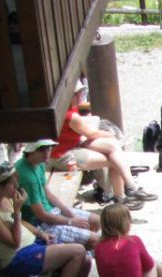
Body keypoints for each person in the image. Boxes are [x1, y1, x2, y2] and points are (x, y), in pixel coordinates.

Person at [0, 162, 91, 277]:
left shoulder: (7, 201)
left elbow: (22, 223)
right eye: (12, 184)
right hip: (17, 258)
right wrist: (18, 211)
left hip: (32, 245)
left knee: (87, 259)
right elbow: (14, 242)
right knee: (78, 251)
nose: (16, 186)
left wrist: (40, 233)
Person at [49, 79, 156, 208]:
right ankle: (123, 195)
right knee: (114, 160)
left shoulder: (68, 107)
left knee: (113, 148)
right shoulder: (72, 116)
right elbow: (91, 134)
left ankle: (129, 189)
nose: (81, 95)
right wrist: (109, 134)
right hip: (63, 155)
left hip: (73, 144)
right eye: (78, 93)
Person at [14, 138, 100, 247]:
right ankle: (81, 250)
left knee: (96, 220)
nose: (47, 153)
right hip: (40, 223)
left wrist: (71, 215)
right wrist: (71, 221)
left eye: (48, 148)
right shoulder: (28, 178)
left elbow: (49, 194)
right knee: (96, 239)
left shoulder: (38, 163)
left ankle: (83, 248)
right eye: (42, 150)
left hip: (51, 211)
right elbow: (41, 215)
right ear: (31, 151)